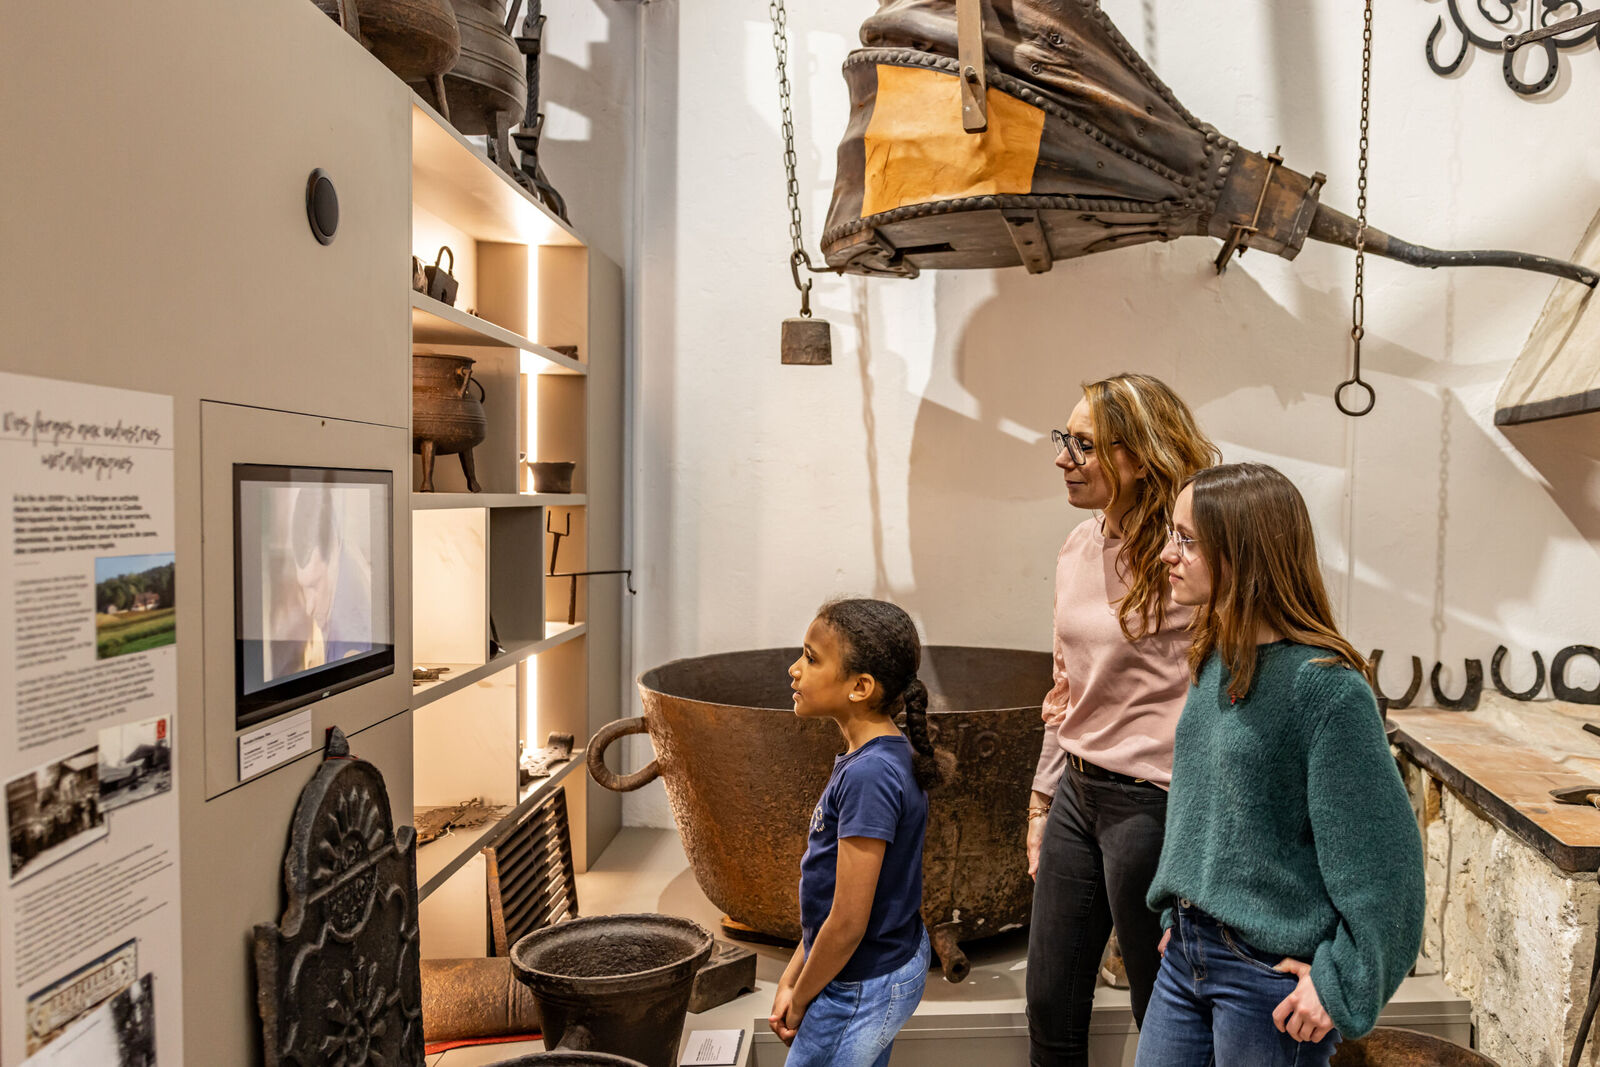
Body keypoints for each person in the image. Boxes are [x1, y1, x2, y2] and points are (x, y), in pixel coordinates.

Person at [1138, 462, 1425, 1066]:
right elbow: (1202, 807)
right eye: (1171, 534)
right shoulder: (1216, 657)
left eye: (1186, 539)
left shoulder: (1326, 689)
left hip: (1266, 982)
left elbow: (1387, 869)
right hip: (1186, 956)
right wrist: (1177, 911)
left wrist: (1341, 985)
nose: (1167, 553)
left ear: (1242, 554)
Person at [1027, 373, 1219, 1066]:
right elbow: (1065, 686)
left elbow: (1229, 680)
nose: (1063, 458)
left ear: (1138, 457)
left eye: (1084, 444)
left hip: (1154, 804)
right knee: (1050, 1003)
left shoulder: (1186, 558)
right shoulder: (1077, 547)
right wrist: (1041, 799)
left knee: (1157, 1006)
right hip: (1078, 794)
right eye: (1065, 439)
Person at [769, 598, 939, 1067]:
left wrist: (801, 998)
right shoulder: (873, 758)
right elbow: (831, 907)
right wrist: (791, 976)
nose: (794, 669)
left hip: (858, 986)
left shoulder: (870, 776)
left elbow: (846, 922)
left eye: (811, 658)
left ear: (860, 687)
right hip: (859, 972)